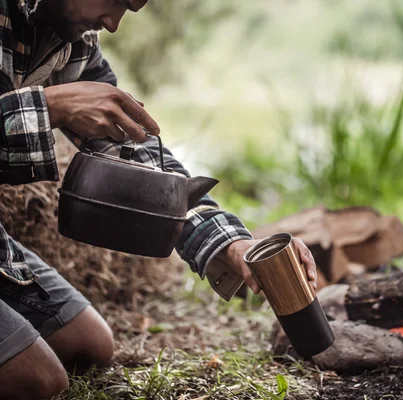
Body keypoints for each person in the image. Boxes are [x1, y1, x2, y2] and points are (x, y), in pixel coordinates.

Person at [0, 1, 318, 399]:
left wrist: (236, 246)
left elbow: (145, 165)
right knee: (38, 380)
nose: (113, 25)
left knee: (91, 345)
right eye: (116, 1)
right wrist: (50, 108)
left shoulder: (71, 38)